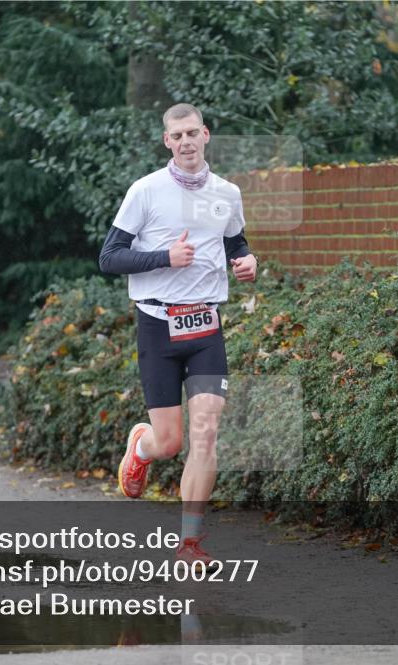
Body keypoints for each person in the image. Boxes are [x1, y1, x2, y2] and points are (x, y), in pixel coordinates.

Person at [98, 103, 257, 565]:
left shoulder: (227, 192)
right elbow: (109, 258)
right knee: (171, 443)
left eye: (193, 133)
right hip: (157, 325)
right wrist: (164, 258)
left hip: (206, 325)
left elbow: (235, 243)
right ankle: (142, 447)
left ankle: (189, 544)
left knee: (205, 433)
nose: (186, 142)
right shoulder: (146, 191)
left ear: (206, 134)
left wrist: (248, 261)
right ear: (167, 141)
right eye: (177, 136)